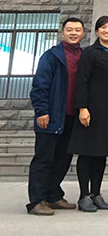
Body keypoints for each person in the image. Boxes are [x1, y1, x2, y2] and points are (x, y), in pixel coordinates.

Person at [68, 16, 108, 212]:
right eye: (103, 27)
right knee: (87, 152)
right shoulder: (90, 53)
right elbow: (82, 81)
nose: (107, 30)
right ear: (96, 31)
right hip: (92, 109)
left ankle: (96, 193)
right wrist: (82, 108)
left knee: (101, 153)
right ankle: (84, 195)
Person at [27, 18, 85, 216]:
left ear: (83, 34)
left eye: (77, 30)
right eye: (69, 30)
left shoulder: (84, 56)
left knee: (63, 159)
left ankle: (53, 196)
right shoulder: (51, 56)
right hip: (51, 116)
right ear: (62, 33)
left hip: (72, 118)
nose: (73, 33)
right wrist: (42, 111)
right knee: (44, 159)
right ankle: (36, 201)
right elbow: (39, 85)